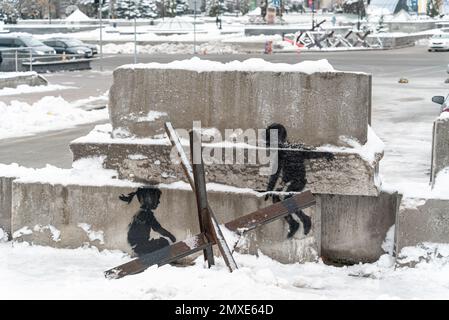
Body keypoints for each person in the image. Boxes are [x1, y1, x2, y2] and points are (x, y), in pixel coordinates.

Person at [119, 187, 176, 256]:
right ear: (149, 199)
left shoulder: (141, 213)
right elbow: (157, 228)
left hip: (138, 247)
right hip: (140, 248)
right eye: (157, 199)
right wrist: (171, 237)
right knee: (164, 243)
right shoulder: (146, 214)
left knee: (162, 242)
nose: (158, 202)